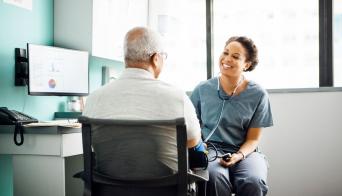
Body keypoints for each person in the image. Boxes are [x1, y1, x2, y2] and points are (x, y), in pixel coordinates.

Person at [83, 27, 202, 180]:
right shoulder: (176, 97)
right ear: (156, 58)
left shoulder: (94, 98)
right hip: (165, 190)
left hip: (109, 189)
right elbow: (192, 141)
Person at [190, 36, 273, 196]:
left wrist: (238, 156)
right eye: (225, 53)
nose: (227, 59)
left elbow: (253, 139)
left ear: (246, 64)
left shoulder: (258, 94)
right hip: (212, 149)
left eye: (235, 57)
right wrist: (199, 145)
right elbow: (192, 127)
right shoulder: (202, 89)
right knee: (213, 177)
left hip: (246, 152)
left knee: (253, 181)